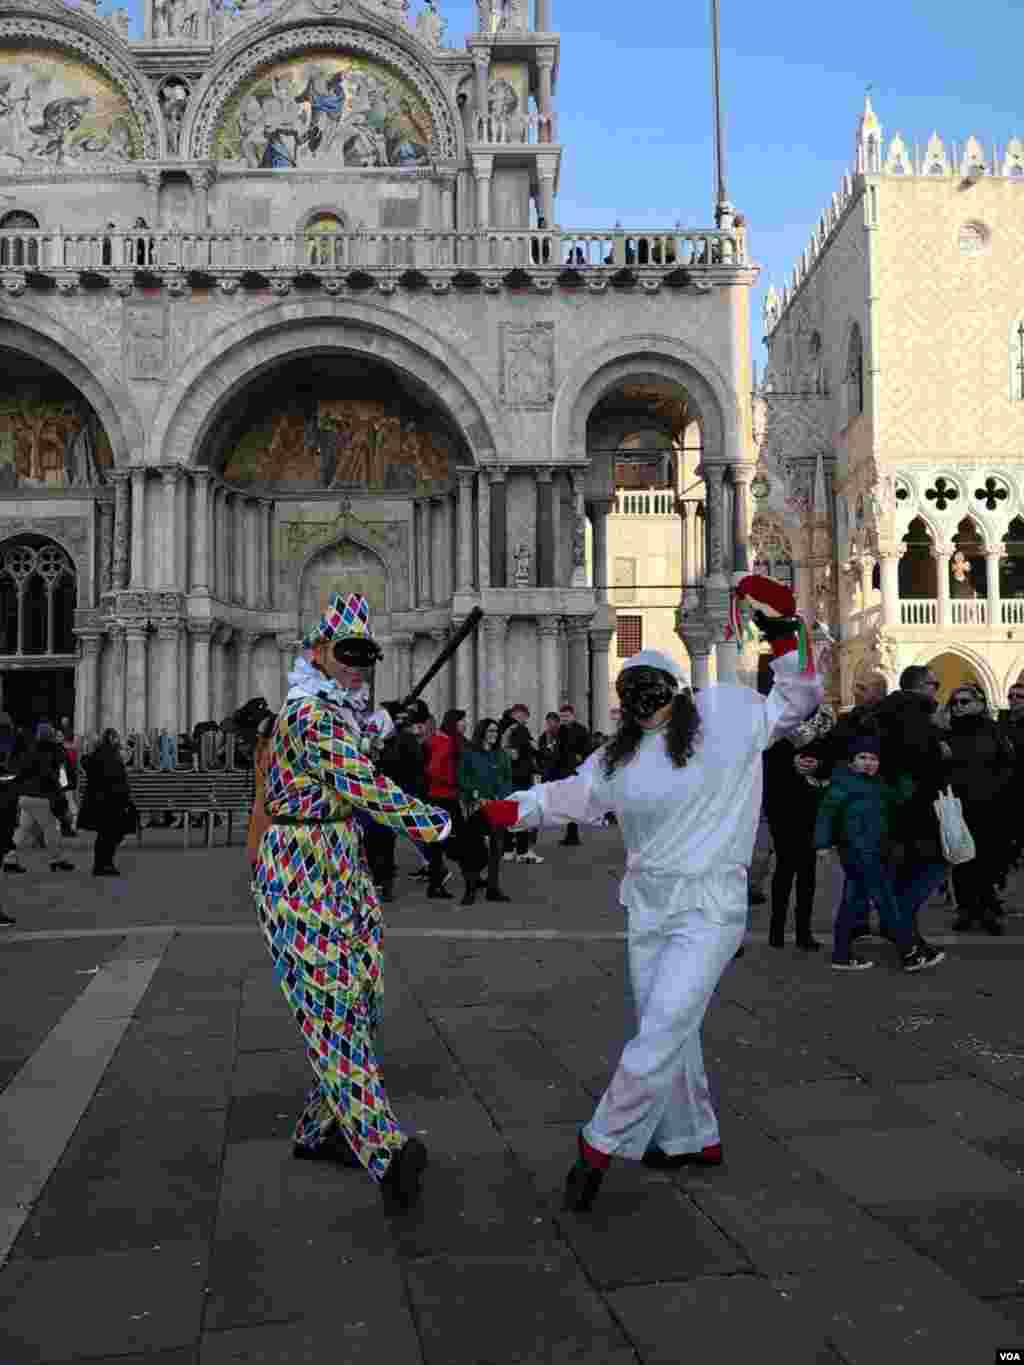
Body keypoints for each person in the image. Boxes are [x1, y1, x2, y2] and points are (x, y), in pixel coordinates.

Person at [483, 609, 823, 1213]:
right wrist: (509, 810)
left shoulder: (727, 720)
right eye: (631, 692)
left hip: (710, 906)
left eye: (651, 690)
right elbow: (569, 796)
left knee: (663, 1025)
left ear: (677, 691)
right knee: (668, 1027)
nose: (642, 702)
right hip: (649, 909)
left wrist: (782, 639)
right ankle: (693, 1137)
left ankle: (601, 1142)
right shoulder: (619, 758)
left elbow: (795, 701)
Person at [252, 593, 451, 1211]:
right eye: (347, 652)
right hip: (299, 867)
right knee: (334, 1006)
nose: (358, 665)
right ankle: (383, 1148)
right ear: (316, 651)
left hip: (342, 861)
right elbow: (359, 783)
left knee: (359, 998)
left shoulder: (338, 716)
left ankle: (320, 1129)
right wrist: (437, 826)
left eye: (367, 654)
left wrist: (370, 728)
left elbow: (351, 761)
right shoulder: (311, 717)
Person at [814, 738, 941, 971]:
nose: (868, 763)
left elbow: (899, 799)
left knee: (851, 903)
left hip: (876, 852)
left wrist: (903, 776)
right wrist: (821, 845)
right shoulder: (842, 785)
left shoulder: (879, 784)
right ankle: (909, 953)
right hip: (858, 853)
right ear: (851, 761)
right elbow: (826, 814)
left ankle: (841, 954)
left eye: (873, 758)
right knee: (886, 902)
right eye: (862, 758)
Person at [873, 665, 950, 947]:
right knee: (930, 870)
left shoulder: (885, 712)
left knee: (902, 874)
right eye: (934, 684)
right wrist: (939, 747)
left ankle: (904, 933)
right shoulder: (916, 714)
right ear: (921, 686)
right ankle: (905, 938)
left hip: (891, 808)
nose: (936, 690)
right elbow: (918, 759)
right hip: (916, 809)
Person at [763, 705, 835, 951]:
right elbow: (766, 762)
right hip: (783, 808)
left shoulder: (825, 721)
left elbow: (832, 758)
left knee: (807, 872)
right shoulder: (780, 724)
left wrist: (818, 766)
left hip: (811, 807)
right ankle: (777, 930)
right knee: (784, 869)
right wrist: (791, 763)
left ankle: (804, 932)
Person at [945, 683, 1014, 934]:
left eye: (964, 702)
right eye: (955, 703)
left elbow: (1007, 765)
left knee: (986, 861)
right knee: (962, 861)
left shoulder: (993, 731)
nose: (959, 707)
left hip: (989, 807)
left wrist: (998, 793)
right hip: (958, 808)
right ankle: (966, 910)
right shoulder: (947, 733)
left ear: (979, 704)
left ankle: (986, 910)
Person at [426, 708, 484, 902]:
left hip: (440, 796)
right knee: (460, 838)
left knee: (439, 841)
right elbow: (434, 769)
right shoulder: (446, 741)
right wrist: (456, 780)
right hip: (444, 797)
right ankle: (470, 876)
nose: (465, 724)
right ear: (453, 722)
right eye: (462, 721)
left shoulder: (444, 738)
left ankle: (436, 884)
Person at [458, 717, 514, 906]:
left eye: (496, 732)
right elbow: (462, 778)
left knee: (497, 848)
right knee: (473, 849)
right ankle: (470, 889)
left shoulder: (502, 755)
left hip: (497, 806)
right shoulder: (470, 753)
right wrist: (476, 794)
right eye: (490, 731)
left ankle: (493, 888)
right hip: (476, 807)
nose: (493, 735)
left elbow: (507, 779)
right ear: (481, 732)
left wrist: (502, 795)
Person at [15, 722, 74, 873]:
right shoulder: (53, 751)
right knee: (51, 829)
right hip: (42, 797)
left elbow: (21, 771)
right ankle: (56, 860)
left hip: (25, 796)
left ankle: (9, 859)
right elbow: (56, 776)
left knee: (22, 831)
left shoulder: (30, 749)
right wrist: (62, 792)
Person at [80, 729, 132, 876]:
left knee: (105, 835)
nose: (119, 741)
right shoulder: (110, 756)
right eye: (117, 738)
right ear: (111, 738)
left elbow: (86, 764)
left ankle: (101, 864)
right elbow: (117, 780)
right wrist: (125, 798)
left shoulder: (98, 754)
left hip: (99, 802)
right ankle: (105, 864)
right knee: (110, 835)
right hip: (110, 802)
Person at [499, 704, 542, 865]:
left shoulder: (503, 728)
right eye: (525, 715)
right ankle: (523, 851)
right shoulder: (519, 729)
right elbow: (518, 754)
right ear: (518, 714)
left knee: (510, 812)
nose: (525, 719)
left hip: (507, 777)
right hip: (521, 776)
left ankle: (508, 849)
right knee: (524, 812)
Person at [552, 702, 590, 848]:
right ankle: (570, 834)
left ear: (573, 716)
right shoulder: (561, 730)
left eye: (567, 716)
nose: (564, 719)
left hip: (575, 771)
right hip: (563, 771)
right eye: (562, 716)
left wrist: (580, 758)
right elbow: (558, 751)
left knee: (573, 803)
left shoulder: (581, 730)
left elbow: (587, 749)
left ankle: (573, 835)